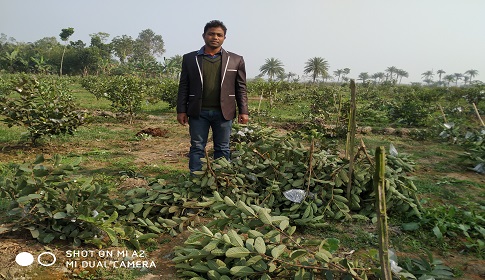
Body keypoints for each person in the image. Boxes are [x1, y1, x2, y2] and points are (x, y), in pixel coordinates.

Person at [177, 20, 249, 173]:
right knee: (197, 146)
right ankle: (195, 178)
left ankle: (221, 178)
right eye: (211, 34)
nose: (215, 37)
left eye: (219, 35)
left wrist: (244, 111)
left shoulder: (236, 60)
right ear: (204, 36)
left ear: (224, 38)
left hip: (224, 112)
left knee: (222, 147)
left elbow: (241, 87)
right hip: (198, 112)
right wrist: (181, 110)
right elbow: (184, 86)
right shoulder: (190, 59)